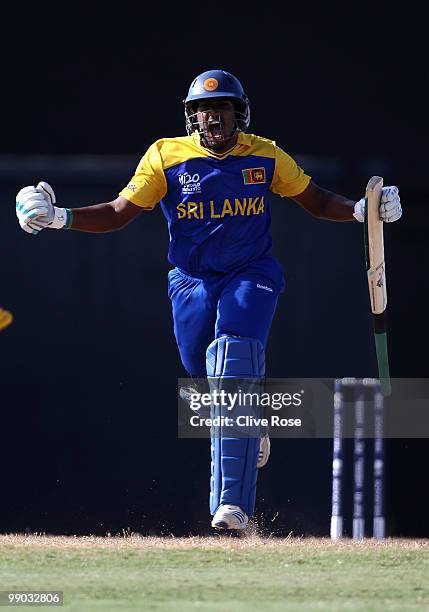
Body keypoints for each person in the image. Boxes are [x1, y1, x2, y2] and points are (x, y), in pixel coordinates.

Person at [15, 69, 402, 531]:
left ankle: (232, 506)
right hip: (191, 281)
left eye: (222, 110)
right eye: (204, 111)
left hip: (250, 273)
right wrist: (60, 217)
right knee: (208, 389)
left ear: (239, 115)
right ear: (191, 117)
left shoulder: (266, 154)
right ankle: (252, 425)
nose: (213, 118)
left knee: (233, 358)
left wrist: (362, 210)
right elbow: (120, 213)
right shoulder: (166, 156)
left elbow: (316, 200)